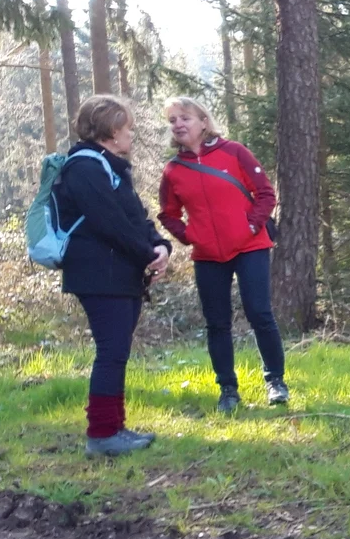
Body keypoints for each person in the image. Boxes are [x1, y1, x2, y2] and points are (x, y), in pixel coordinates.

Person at [53, 95, 173, 457]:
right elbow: (111, 224)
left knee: (116, 351)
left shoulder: (111, 167)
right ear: (109, 131)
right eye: (127, 129)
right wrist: (146, 256)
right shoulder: (85, 168)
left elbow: (136, 217)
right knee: (111, 352)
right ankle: (103, 434)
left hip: (116, 272)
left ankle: (114, 428)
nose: (131, 136)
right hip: (99, 274)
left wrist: (159, 245)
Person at [157, 97, 287, 413]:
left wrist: (252, 225)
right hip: (207, 255)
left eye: (185, 117)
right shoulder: (174, 170)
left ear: (204, 121)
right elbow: (168, 213)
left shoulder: (235, 152)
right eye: (173, 120)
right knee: (217, 323)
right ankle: (228, 390)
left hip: (249, 247)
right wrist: (189, 236)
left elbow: (265, 194)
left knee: (259, 313)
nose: (178, 125)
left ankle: (275, 382)